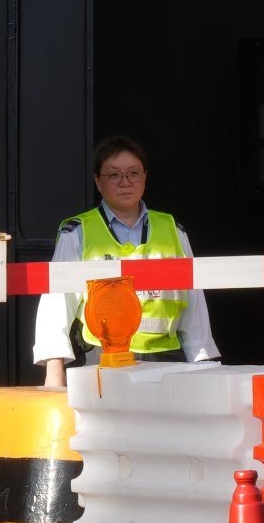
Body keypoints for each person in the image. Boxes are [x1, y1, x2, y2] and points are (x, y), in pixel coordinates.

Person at [34, 135, 218, 387]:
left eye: (133, 173)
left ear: (145, 177)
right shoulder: (77, 232)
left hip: (167, 359)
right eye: (114, 175)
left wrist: (201, 360)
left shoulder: (172, 229)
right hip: (103, 358)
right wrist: (54, 370)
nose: (125, 182)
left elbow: (194, 301)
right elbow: (57, 302)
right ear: (97, 181)